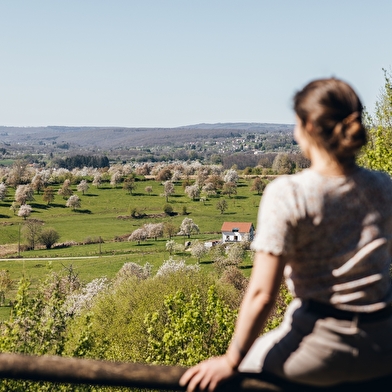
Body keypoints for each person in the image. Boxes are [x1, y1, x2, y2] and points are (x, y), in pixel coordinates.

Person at [180, 78, 392, 391]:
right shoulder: (383, 186)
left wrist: (230, 360)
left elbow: (262, 295)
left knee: (242, 376)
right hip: (384, 344)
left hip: (320, 344)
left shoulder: (289, 194)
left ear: (307, 127)